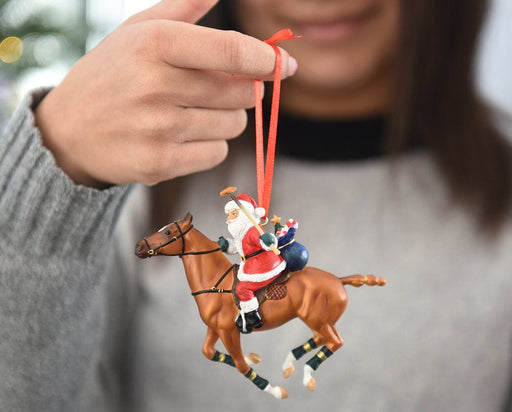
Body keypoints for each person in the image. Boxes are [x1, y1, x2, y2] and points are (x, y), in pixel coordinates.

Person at [1, 0, 512, 411]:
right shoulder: (140, 179)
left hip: (275, 262)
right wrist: (56, 163)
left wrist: (269, 241)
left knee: (247, 284)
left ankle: (249, 316)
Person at [219, 193, 286, 333]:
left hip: (264, 265)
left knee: (243, 288)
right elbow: (240, 248)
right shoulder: (241, 233)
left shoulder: (253, 230)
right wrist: (227, 246)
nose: (228, 219)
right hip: (251, 264)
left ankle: (252, 317)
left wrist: (269, 241)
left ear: (244, 214)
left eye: (233, 214)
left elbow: (263, 242)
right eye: (229, 214)